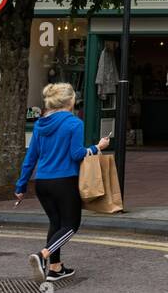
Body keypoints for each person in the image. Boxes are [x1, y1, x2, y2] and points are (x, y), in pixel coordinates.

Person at [15, 82, 108, 282]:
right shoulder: (74, 123)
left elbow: (31, 157)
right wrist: (97, 147)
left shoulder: (40, 124)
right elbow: (77, 154)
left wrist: (21, 186)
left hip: (42, 183)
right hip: (64, 182)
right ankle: (42, 256)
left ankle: (56, 268)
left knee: (56, 223)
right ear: (70, 101)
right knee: (71, 225)